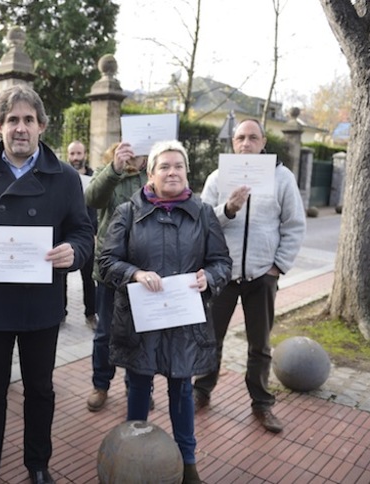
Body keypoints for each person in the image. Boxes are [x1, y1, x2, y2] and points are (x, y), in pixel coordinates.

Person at [0, 85, 93, 484]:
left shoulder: (64, 177)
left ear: (42, 126)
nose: (21, 128)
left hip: (41, 304)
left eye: (29, 120)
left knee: (40, 391)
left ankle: (38, 464)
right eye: (13, 120)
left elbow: (82, 231)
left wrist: (73, 252)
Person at [99, 140, 231, 483]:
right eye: (165, 166)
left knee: (182, 389)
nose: (173, 172)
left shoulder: (202, 213)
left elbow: (221, 262)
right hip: (141, 319)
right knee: (139, 385)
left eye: (179, 166)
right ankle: (131, 457)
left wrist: (210, 277)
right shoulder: (128, 211)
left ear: (187, 172)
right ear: (150, 173)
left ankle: (188, 463)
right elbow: (106, 261)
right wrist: (135, 274)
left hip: (184, 321)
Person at [193, 118, 306, 434]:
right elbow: (202, 224)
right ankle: (201, 389)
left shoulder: (282, 178)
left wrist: (277, 267)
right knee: (210, 339)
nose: (246, 143)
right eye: (240, 137)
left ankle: (261, 403)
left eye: (252, 137)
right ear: (232, 142)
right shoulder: (218, 177)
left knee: (260, 345)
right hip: (222, 274)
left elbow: (294, 225)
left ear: (263, 141)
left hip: (261, 276)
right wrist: (228, 208)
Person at [84, 141, 148, 412]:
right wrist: (115, 169)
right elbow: (91, 199)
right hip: (111, 267)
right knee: (105, 332)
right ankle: (101, 384)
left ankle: (138, 386)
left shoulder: (156, 173)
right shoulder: (107, 170)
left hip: (146, 270)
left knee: (142, 331)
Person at [63, 140, 97, 330]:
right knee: (61, 277)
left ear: (85, 154)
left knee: (89, 277)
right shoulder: (62, 176)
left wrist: (95, 231)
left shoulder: (94, 177)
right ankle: (61, 313)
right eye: (72, 154)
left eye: (79, 153)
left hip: (88, 235)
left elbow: (97, 208)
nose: (76, 158)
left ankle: (90, 313)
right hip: (65, 234)